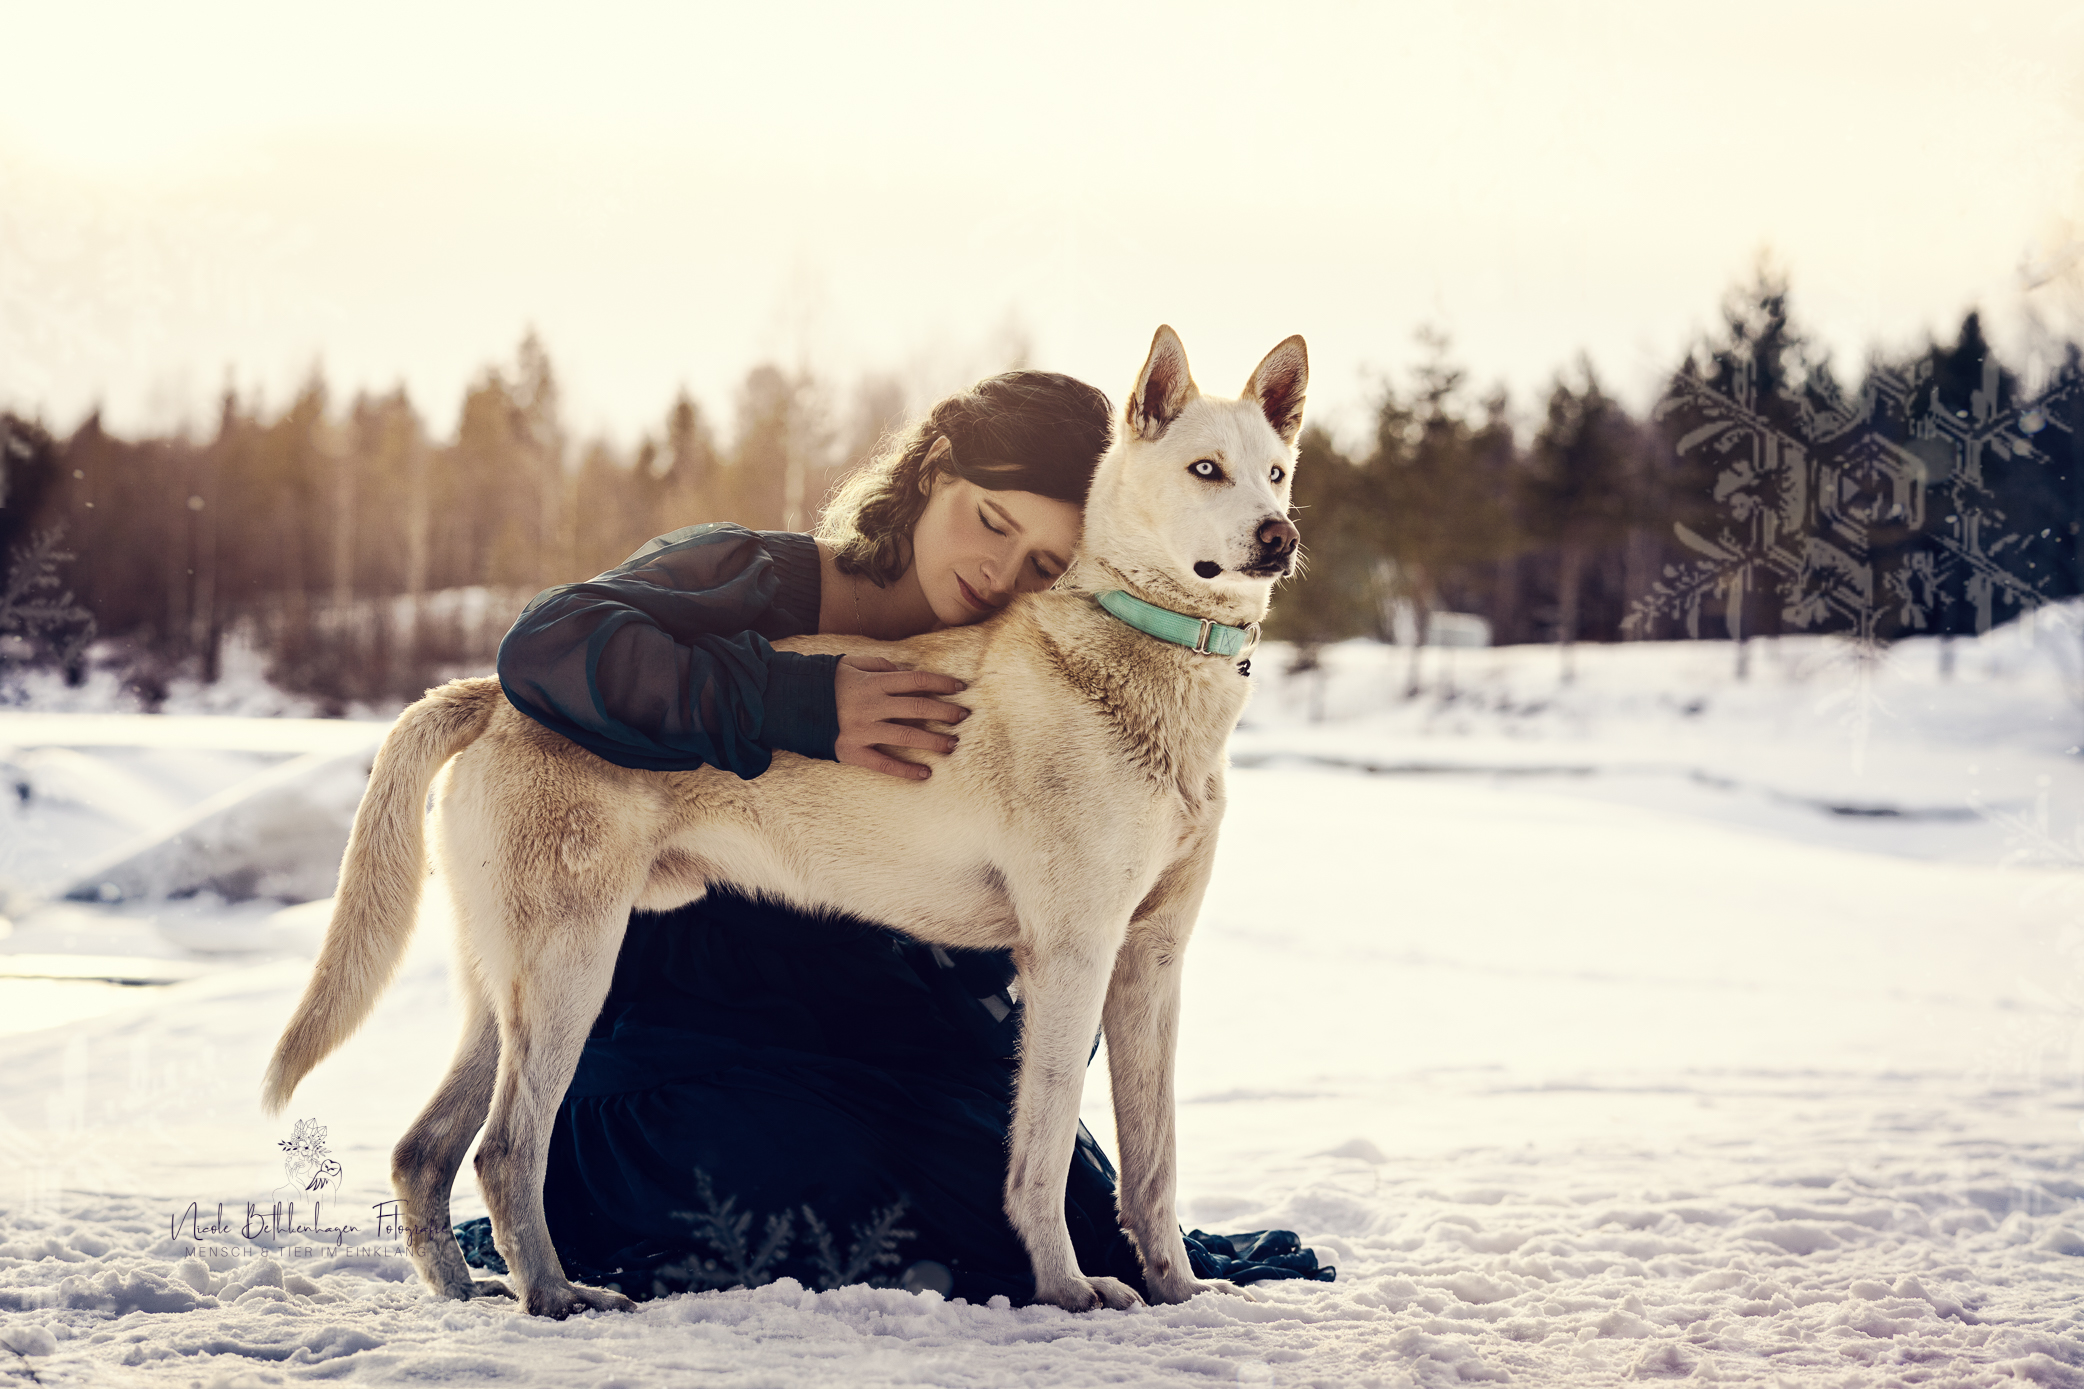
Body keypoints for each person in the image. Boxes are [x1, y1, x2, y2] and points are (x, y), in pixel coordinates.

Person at [464, 369, 1334, 1303]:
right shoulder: (751, 576)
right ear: (931, 474)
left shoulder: (1028, 666)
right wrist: (801, 701)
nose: (1002, 572)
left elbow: (1070, 956)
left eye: (1044, 562)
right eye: (992, 523)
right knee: (874, 1189)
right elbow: (545, 647)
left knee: (1028, 1195)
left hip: (864, 1048)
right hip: (685, 1045)